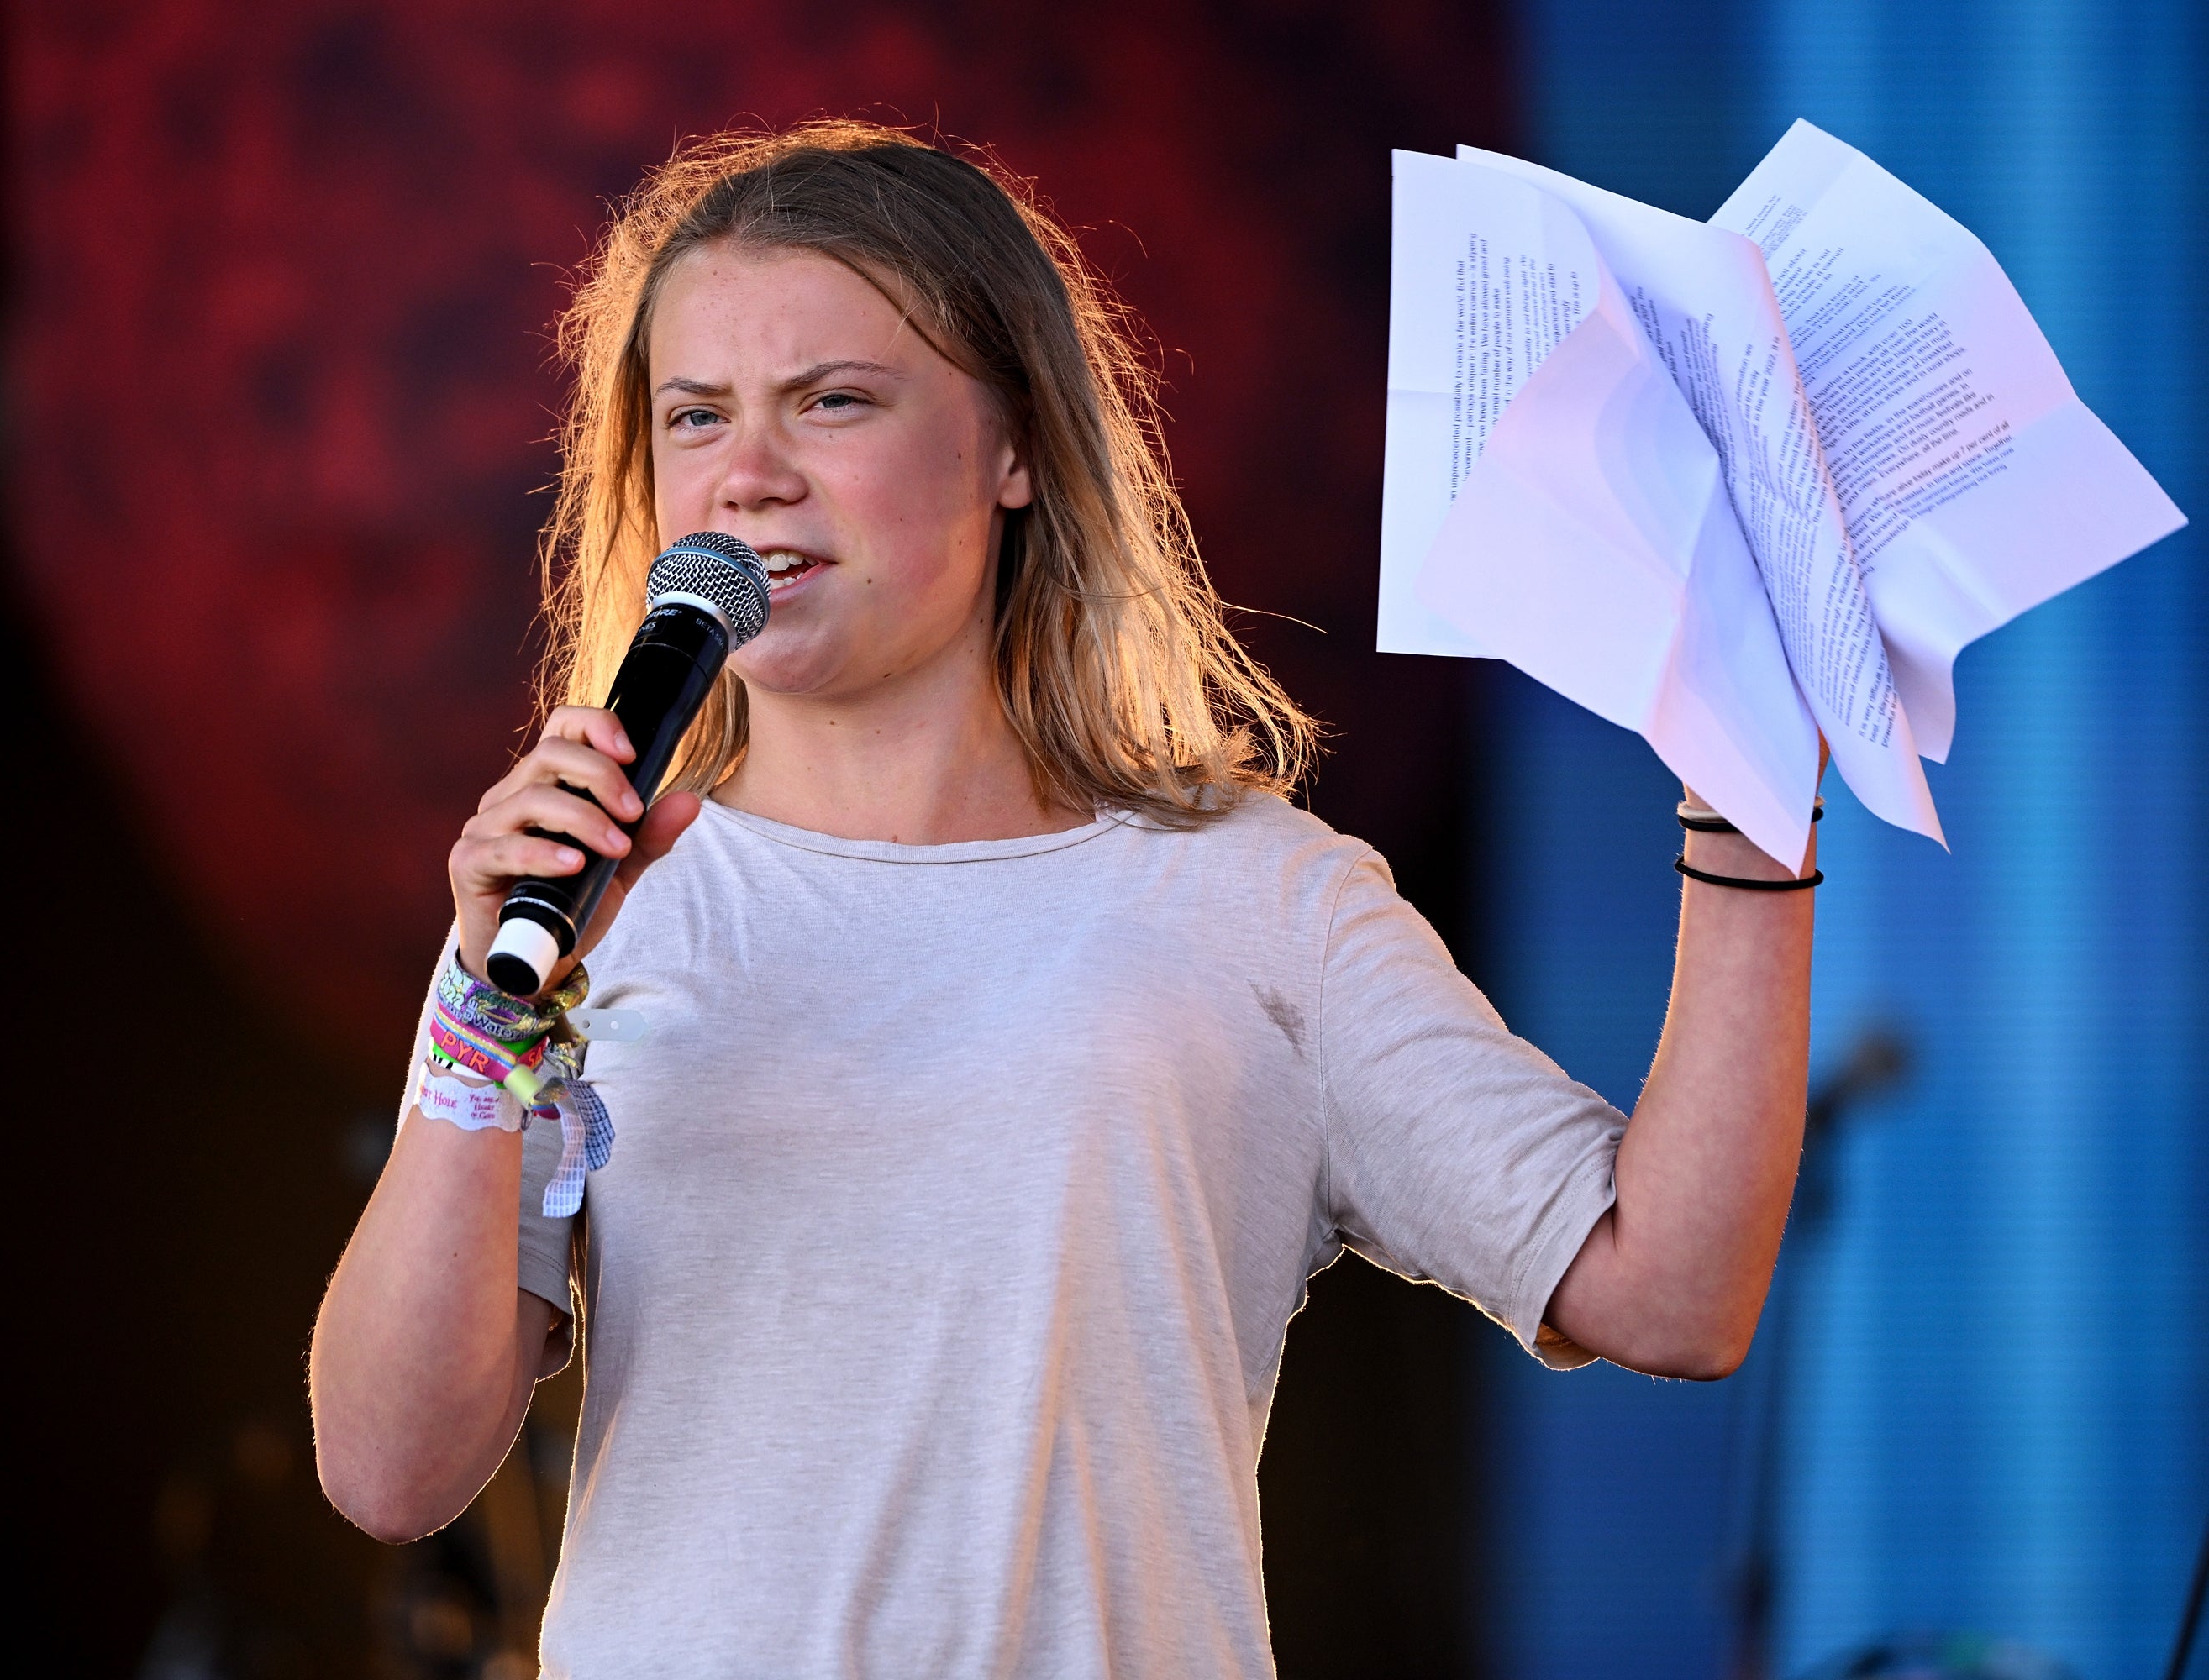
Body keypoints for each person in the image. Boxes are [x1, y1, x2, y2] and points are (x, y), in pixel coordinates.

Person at [308, 120, 1819, 1676]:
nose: (748, 477)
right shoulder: (572, 910)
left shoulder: (1256, 899)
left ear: (1015, 445)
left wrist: (1755, 796)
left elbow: (1677, 1293)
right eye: (696, 415)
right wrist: (489, 1008)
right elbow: (388, 1469)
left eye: (834, 402)